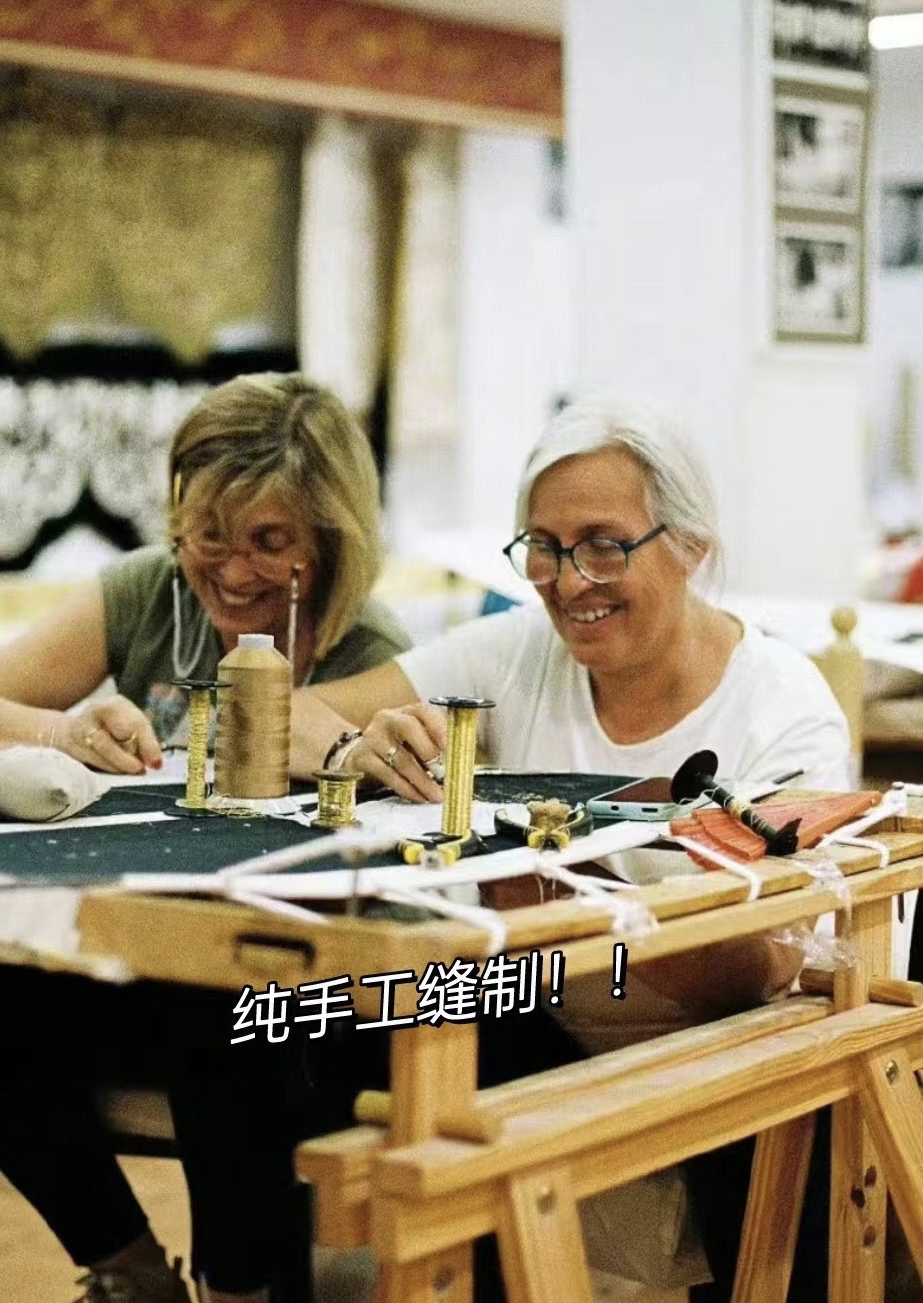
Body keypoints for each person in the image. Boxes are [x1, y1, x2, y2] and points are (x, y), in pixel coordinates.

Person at [290, 397, 851, 1300]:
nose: (566, 580)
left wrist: (570, 894)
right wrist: (354, 748)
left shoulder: (782, 707)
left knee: (789, 1089)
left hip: (722, 1050)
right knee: (293, 1018)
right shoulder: (519, 652)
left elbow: (764, 964)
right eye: (543, 547)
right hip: (547, 1018)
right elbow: (295, 713)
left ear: (690, 546)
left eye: (602, 545)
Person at [0, 373, 411, 1303]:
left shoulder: (379, 652)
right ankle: (126, 1268)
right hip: (132, 970)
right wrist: (58, 729)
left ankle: (241, 1290)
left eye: (268, 542)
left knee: (223, 986)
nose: (231, 571)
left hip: (300, 1001)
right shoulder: (144, 593)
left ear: (331, 538)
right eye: (208, 535)